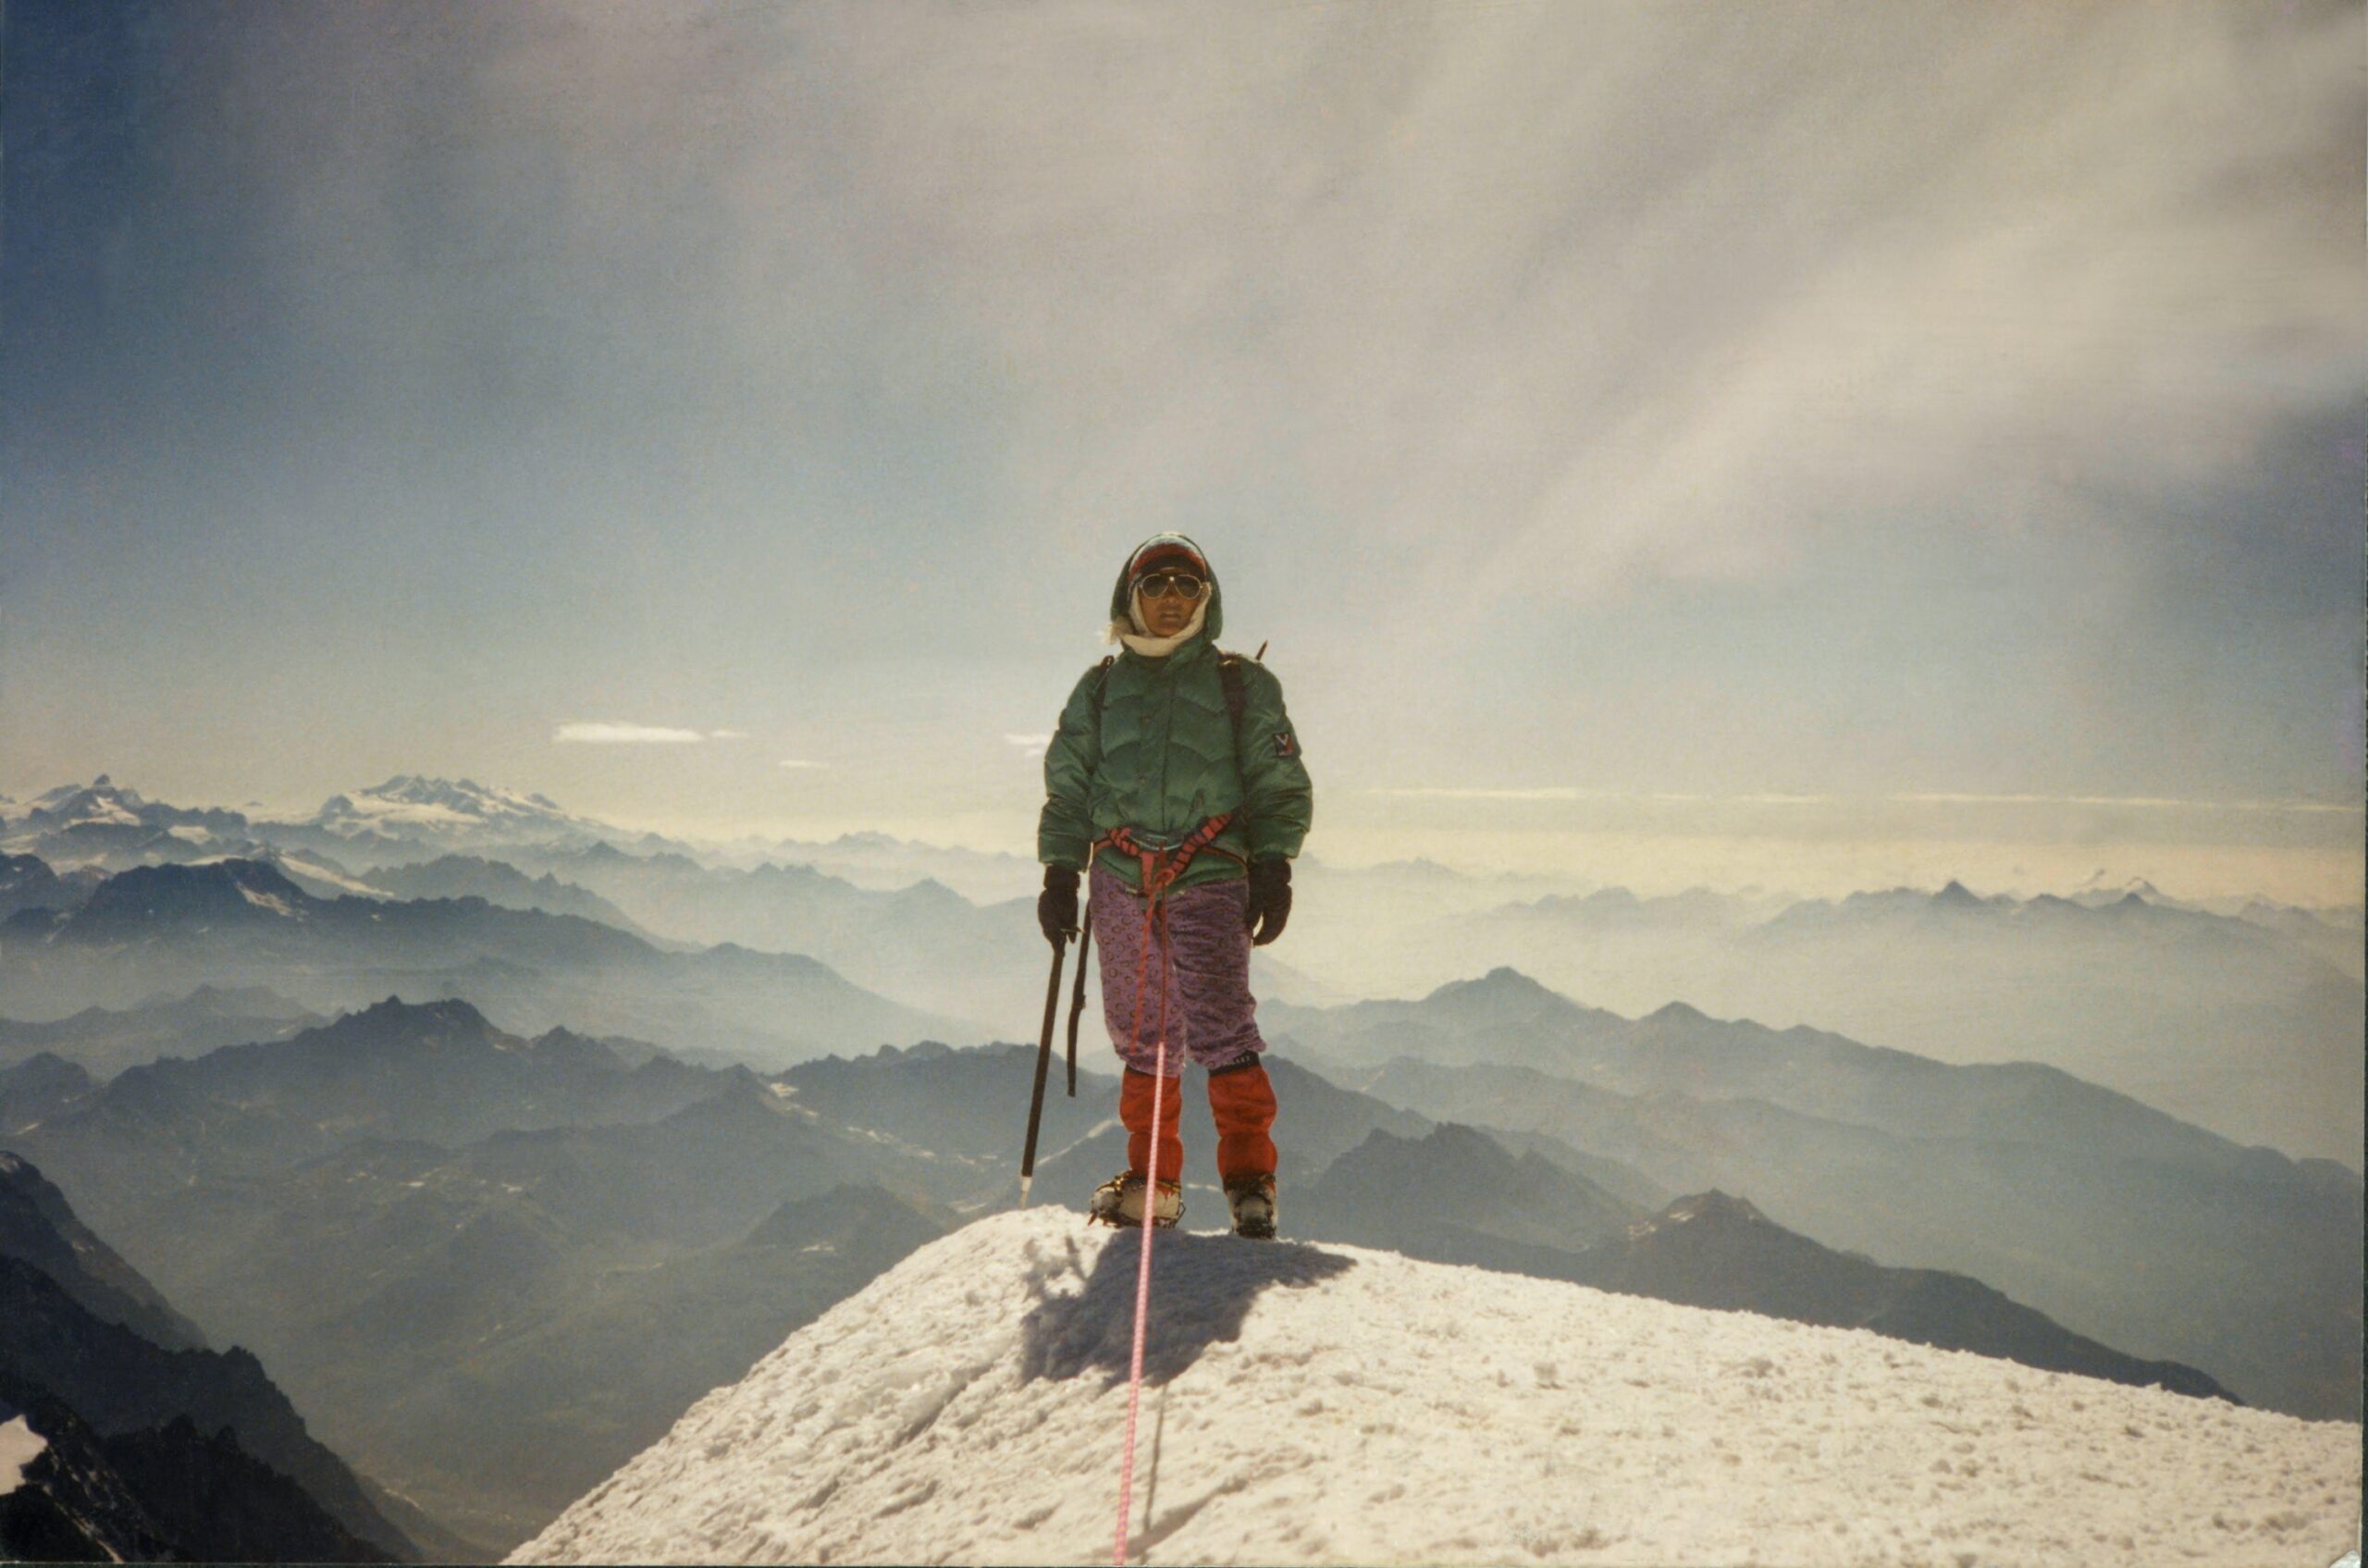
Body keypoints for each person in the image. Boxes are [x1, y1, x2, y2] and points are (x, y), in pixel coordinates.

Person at [1036, 533, 1314, 1239]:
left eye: (1186, 586)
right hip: (1120, 881)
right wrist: (1061, 870)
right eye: (1155, 584)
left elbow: (1276, 780)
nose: (1170, 598)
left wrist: (1275, 862)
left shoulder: (1240, 684)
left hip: (1212, 874)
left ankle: (1251, 1183)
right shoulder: (1099, 688)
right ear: (1131, 597)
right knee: (1142, 1035)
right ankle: (1155, 1184)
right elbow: (1068, 788)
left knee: (1222, 1028)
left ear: (1207, 599)